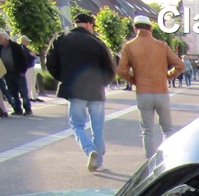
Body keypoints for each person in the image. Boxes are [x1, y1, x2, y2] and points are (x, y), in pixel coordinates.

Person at [45, 13, 117, 172]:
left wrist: (64, 78)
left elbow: (50, 62)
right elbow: (111, 69)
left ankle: (90, 150)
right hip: (96, 91)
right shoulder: (98, 43)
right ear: (89, 25)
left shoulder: (61, 39)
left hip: (75, 89)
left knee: (77, 124)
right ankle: (99, 163)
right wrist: (102, 83)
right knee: (98, 128)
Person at [116, 15, 185, 159]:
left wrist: (134, 80)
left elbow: (121, 71)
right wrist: (168, 76)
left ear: (135, 28)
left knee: (147, 131)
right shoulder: (161, 46)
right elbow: (180, 65)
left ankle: (150, 161)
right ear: (151, 28)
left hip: (143, 92)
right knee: (167, 129)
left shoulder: (129, 46)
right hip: (161, 91)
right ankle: (168, 158)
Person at [0, 31, 31, 116]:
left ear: (5, 38)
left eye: (0, 38)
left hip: (18, 73)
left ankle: (27, 109)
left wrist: (23, 71)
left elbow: (23, 59)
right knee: (13, 92)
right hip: (8, 73)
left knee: (23, 92)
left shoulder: (15, 46)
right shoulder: (0, 48)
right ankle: (17, 109)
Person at [20, 36, 41, 102]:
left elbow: (33, 55)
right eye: (27, 41)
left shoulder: (27, 49)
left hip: (31, 66)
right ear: (23, 41)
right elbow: (26, 57)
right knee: (28, 82)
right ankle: (29, 96)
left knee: (33, 82)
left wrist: (34, 55)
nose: (28, 43)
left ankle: (34, 96)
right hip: (27, 68)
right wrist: (32, 55)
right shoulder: (22, 49)